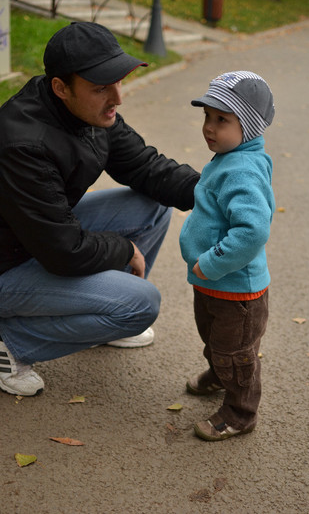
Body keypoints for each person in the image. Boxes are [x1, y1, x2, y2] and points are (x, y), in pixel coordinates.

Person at [0, 21, 200, 397]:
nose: (117, 97)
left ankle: (106, 318)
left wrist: (218, 194)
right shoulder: (23, 144)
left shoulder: (89, 114)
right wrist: (123, 249)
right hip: (8, 265)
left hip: (37, 239)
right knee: (141, 305)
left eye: (118, 81)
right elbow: (64, 251)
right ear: (60, 88)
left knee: (152, 204)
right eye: (100, 88)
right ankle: (11, 341)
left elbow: (145, 167)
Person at [179, 71, 275, 441]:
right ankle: (220, 374)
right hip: (212, 282)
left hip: (235, 290)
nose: (209, 127)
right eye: (207, 116)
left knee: (236, 353)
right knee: (215, 340)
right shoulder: (228, 157)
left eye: (222, 119)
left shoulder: (242, 169)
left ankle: (239, 412)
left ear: (247, 126)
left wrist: (212, 262)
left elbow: (252, 231)